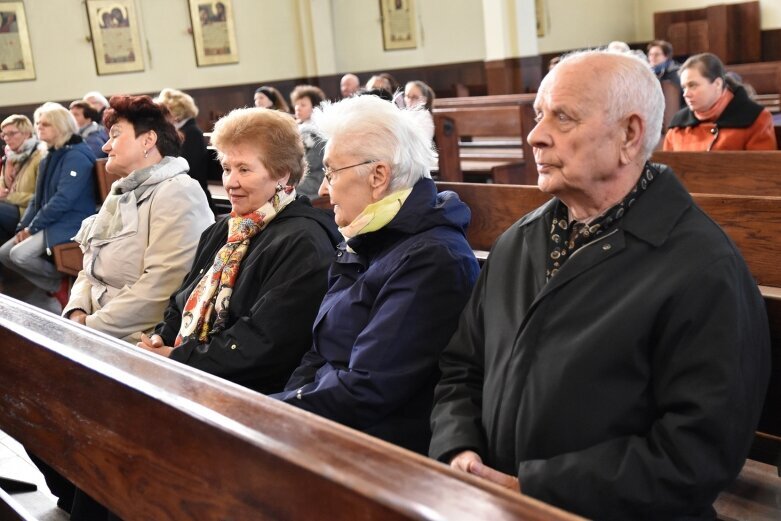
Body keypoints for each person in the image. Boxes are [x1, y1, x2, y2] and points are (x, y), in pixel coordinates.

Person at [429, 50, 770, 520]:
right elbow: (463, 367)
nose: (535, 136)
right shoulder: (519, 243)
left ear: (629, 136)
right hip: (494, 503)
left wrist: (534, 487)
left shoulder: (703, 268)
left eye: (562, 118)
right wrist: (457, 448)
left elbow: (697, 454)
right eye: (538, 115)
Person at [270, 95, 479, 455]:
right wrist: (281, 404)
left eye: (332, 172)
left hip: (383, 446)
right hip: (328, 419)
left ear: (378, 176)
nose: (323, 188)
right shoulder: (367, 237)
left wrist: (271, 413)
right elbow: (317, 353)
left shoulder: (432, 260)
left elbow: (367, 389)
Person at [138, 107, 339, 394]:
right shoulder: (224, 230)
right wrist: (162, 339)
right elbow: (181, 302)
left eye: (244, 169)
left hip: (253, 395)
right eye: (226, 168)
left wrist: (178, 358)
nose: (230, 182)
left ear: (282, 174)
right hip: (198, 375)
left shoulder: (303, 241)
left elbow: (266, 344)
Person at [62, 94, 213, 341]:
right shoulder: (122, 191)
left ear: (148, 140)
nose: (105, 146)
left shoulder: (177, 191)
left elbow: (161, 288)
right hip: (97, 328)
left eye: (115, 135)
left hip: (141, 338)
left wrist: (88, 327)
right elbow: (91, 269)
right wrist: (76, 310)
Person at [0, 102, 96, 308]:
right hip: (52, 220)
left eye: (46, 124)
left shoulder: (76, 155)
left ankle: (57, 283)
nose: (39, 128)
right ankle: (57, 284)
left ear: (61, 126)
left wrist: (34, 227)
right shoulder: (50, 154)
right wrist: (23, 227)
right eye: (37, 124)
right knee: (4, 254)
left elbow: (63, 200)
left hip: (71, 222)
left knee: (18, 254)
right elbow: (37, 198)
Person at [664, 53, 777, 151]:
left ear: (717, 84)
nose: (686, 94)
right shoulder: (678, 125)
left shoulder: (755, 118)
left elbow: (761, 171)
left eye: (693, 85)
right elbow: (666, 171)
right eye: (684, 87)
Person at [155, 88, 215, 209]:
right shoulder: (184, 130)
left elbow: (188, 170)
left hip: (196, 201)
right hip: (186, 196)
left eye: (164, 112)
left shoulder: (192, 133)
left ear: (175, 113)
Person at [0, 115, 45, 246]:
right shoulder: (9, 158)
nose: (7, 138)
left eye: (12, 133)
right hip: (9, 210)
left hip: (28, 214)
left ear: (27, 133)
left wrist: (8, 197)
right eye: (4, 135)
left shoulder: (40, 156)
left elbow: (40, 198)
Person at [290, 84, 326, 200]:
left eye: (303, 105)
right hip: (302, 175)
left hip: (315, 178)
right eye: (296, 104)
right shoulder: (300, 126)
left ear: (314, 107)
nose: (298, 108)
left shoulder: (314, 130)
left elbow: (313, 162)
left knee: (286, 190)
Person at [647, 39, 682, 133]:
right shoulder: (648, 73)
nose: (652, 57)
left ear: (666, 56)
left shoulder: (675, 73)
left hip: (673, 118)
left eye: (657, 54)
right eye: (650, 54)